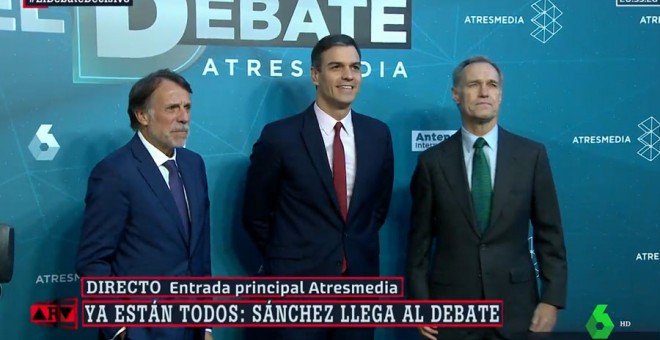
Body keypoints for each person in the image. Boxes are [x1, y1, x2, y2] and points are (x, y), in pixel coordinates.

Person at [242, 34, 394, 340]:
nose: (348, 75)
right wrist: (290, 259)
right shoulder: (280, 136)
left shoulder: (378, 134)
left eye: (355, 67)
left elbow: (377, 208)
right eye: (336, 66)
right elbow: (256, 213)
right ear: (315, 74)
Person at [406, 56, 567, 340]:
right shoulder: (432, 163)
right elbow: (418, 244)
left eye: (492, 84)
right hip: (451, 313)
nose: (484, 92)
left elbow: (550, 234)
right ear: (456, 94)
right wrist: (420, 303)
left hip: (517, 310)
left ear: (500, 94)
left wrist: (551, 299)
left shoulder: (531, 156)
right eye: (474, 84)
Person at [76, 69, 212, 340]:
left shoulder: (194, 164)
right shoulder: (115, 172)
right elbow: (93, 261)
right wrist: (121, 331)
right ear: (142, 116)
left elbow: (199, 254)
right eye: (172, 108)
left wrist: (206, 325)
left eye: (187, 107)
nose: (184, 117)